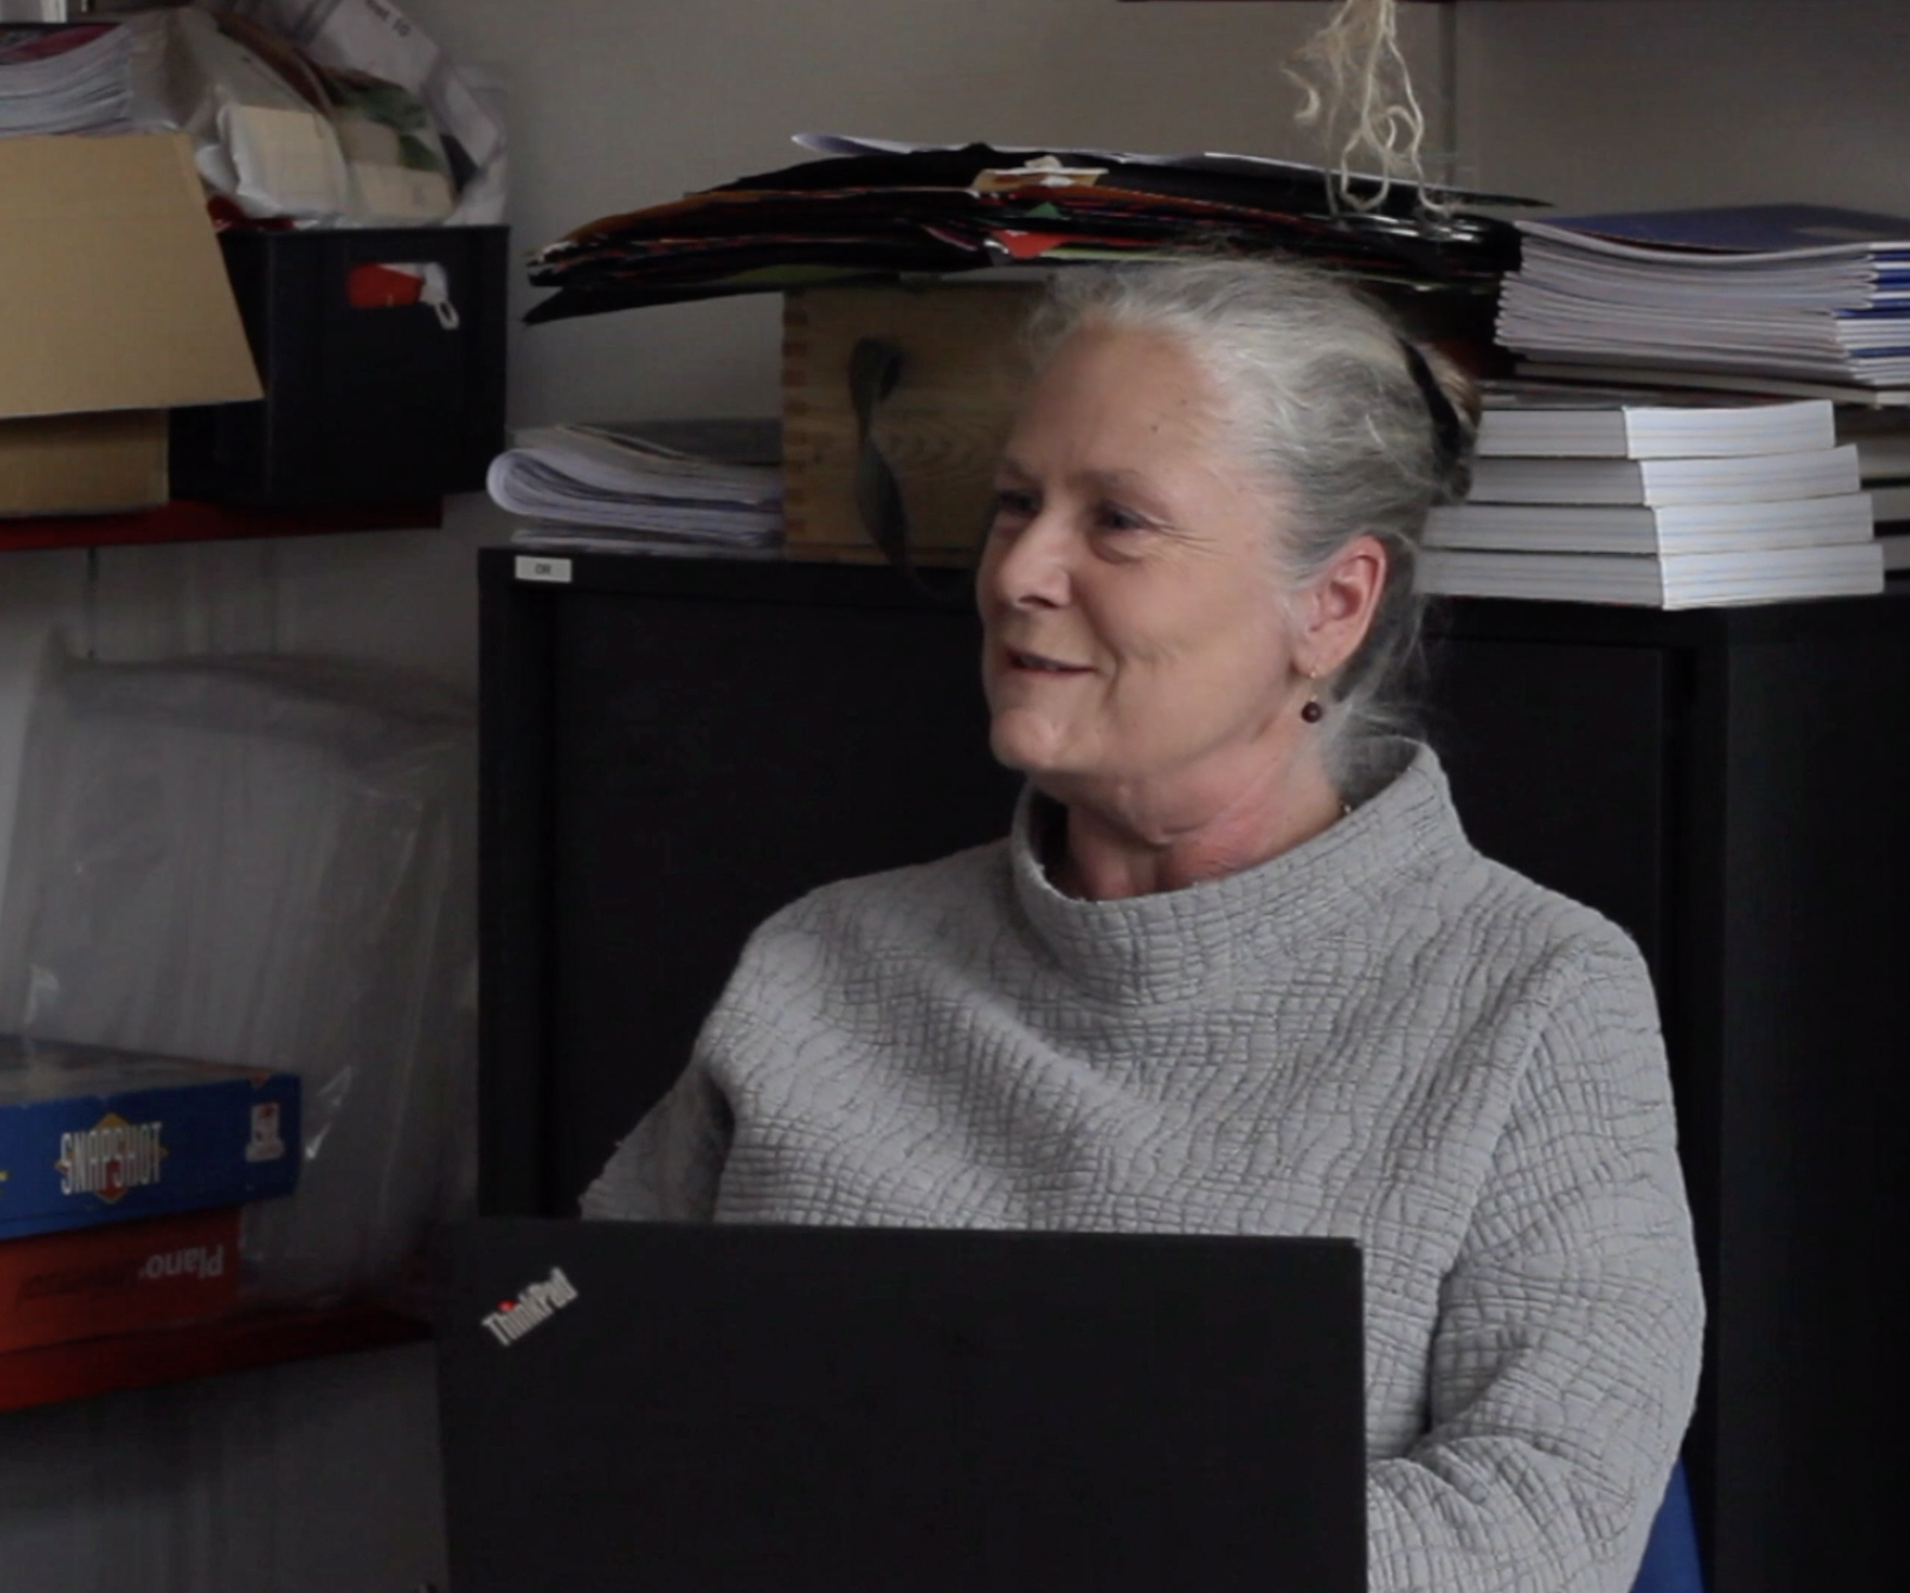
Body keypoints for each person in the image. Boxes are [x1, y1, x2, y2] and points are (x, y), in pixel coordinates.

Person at [582, 256, 1706, 1593]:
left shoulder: (1534, 997)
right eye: (1014, 506)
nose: (1020, 574)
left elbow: (1543, 1518)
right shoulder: (822, 962)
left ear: (1330, 606)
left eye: (1117, 521)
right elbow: (578, 1360)